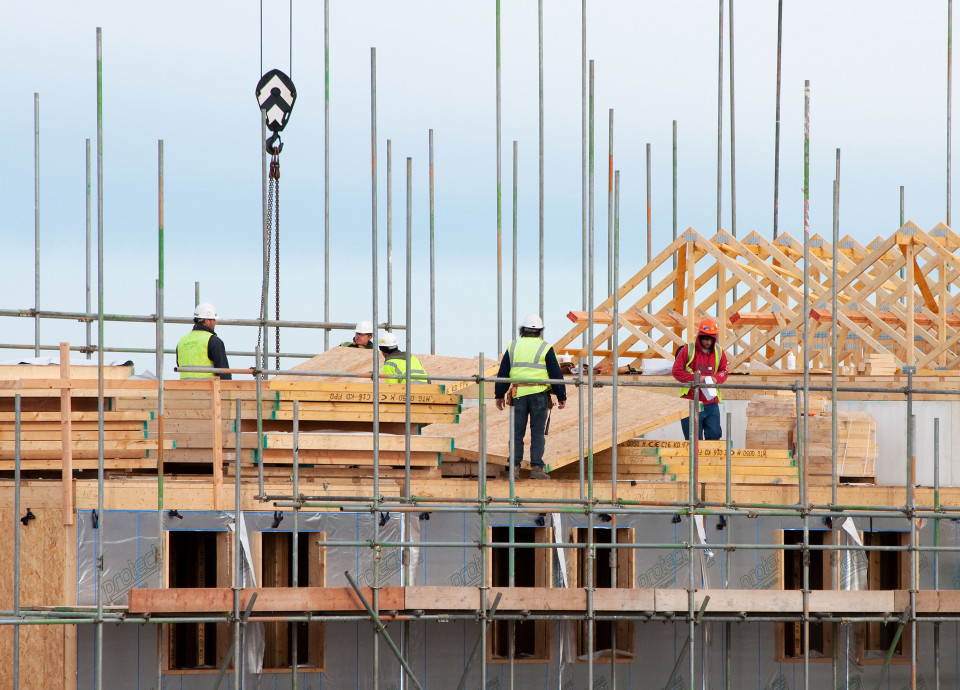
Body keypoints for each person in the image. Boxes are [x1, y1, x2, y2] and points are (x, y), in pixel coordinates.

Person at [495, 314, 567, 480]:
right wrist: (561, 395)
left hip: (519, 394)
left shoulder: (513, 347)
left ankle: (514, 468)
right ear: (540, 331)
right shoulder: (545, 348)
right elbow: (556, 374)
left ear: (522, 330)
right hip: (539, 395)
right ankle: (536, 469)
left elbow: (503, 373)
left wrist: (499, 395)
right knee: (537, 433)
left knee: (517, 433)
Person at [671, 317, 729, 440]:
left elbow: (724, 370)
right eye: (706, 339)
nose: (708, 342)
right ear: (700, 336)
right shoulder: (688, 350)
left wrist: (715, 378)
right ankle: (695, 459)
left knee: (714, 435)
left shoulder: (719, 351)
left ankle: (710, 460)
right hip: (691, 401)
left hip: (711, 402)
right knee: (694, 440)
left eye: (711, 339)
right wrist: (697, 379)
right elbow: (676, 371)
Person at [176, 302, 232, 379]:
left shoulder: (182, 341)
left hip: (184, 389)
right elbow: (224, 373)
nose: (215, 322)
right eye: (213, 319)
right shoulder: (213, 341)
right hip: (208, 389)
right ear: (206, 321)